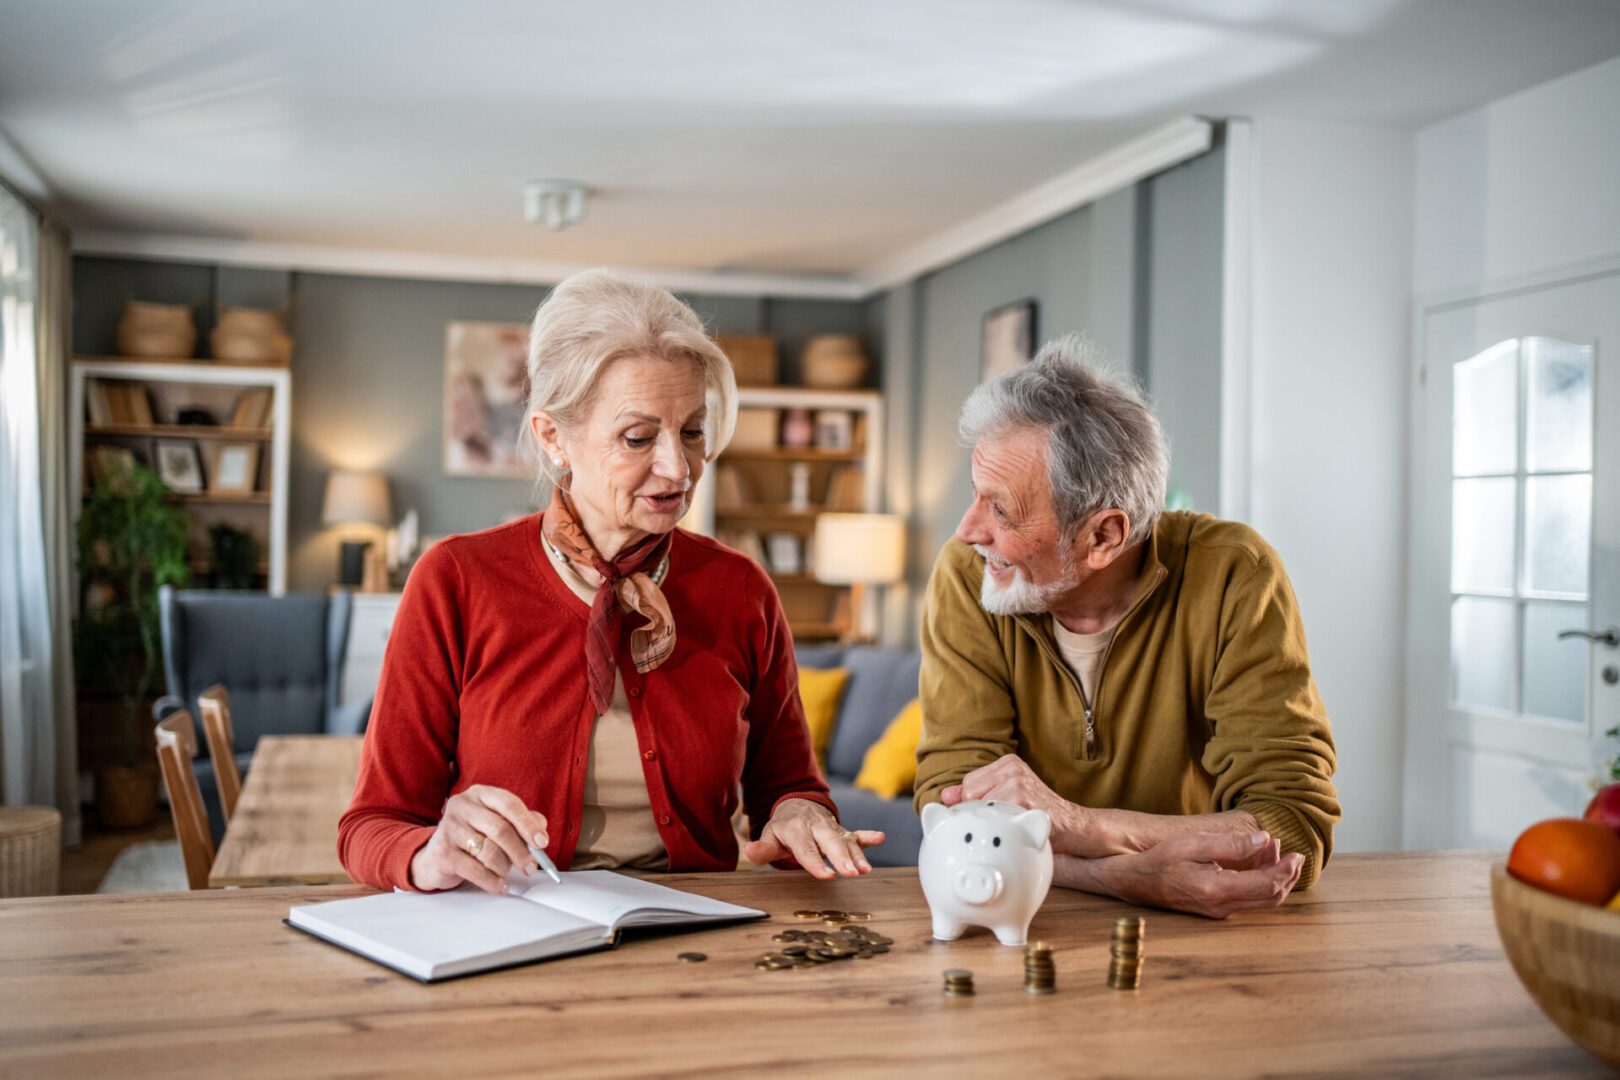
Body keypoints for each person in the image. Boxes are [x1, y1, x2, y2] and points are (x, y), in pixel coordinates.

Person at [340, 269, 883, 894]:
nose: (678, 468)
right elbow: (372, 825)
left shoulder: (741, 590)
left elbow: (787, 787)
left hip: (698, 935)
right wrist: (427, 853)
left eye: (693, 430)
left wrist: (798, 814)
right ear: (553, 437)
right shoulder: (456, 580)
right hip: (510, 935)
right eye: (637, 437)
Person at [915, 335, 1339, 919]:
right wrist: (1132, 879)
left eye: (1001, 509)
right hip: (1025, 923)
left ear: (1104, 537)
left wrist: (1080, 825)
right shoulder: (968, 577)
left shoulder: (1236, 574)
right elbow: (954, 818)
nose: (967, 529)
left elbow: (1291, 822)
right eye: (975, 495)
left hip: (1208, 943)